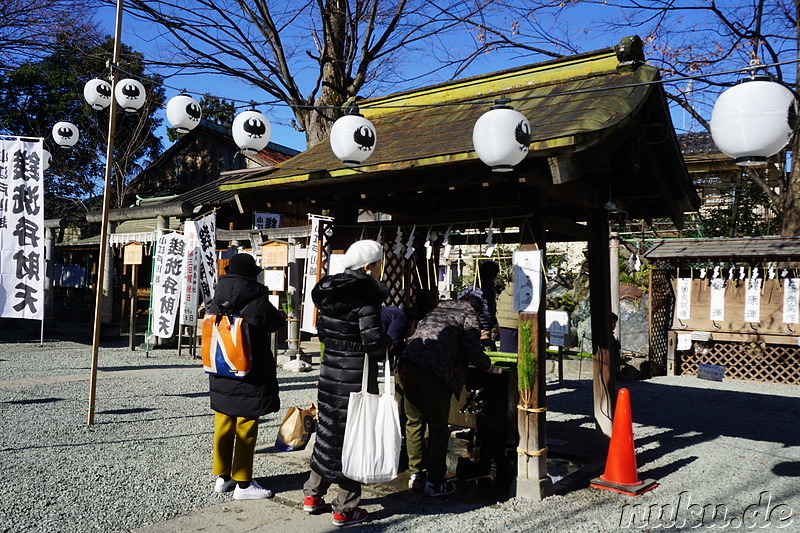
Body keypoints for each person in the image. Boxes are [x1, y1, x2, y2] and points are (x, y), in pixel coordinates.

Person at [302, 240, 389, 528]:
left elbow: (323, 333)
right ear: (368, 267)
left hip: (329, 372)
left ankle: (312, 495)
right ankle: (345, 509)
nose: (379, 270)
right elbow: (373, 341)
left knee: (328, 432)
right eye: (378, 265)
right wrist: (392, 343)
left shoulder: (329, 291)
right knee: (355, 438)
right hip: (357, 374)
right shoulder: (366, 295)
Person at [207, 253, 285, 500]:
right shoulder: (257, 300)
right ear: (252, 274)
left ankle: (223, 477)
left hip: (221, 368)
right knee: (246, 425)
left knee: (224, 421)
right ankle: (243, 484)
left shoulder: (215, 298)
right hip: (249, 370)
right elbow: (275, 323)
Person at [398, 293, 492, 497]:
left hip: (409, 364)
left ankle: (416, 474)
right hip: (436, 369)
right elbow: (472, 350)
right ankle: (434, 482)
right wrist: (487, 365)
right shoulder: (469, 315)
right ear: (476, 309)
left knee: (414, 422)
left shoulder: (437, 309)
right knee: (438, 426)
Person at [459, 260, 500, 351]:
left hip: (466, 322)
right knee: (487, 351)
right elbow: (488, 312)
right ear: (492, 275)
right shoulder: (488, 290)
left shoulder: (473, 286)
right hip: (483, 325)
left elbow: (459, 297)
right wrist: (495, 325)